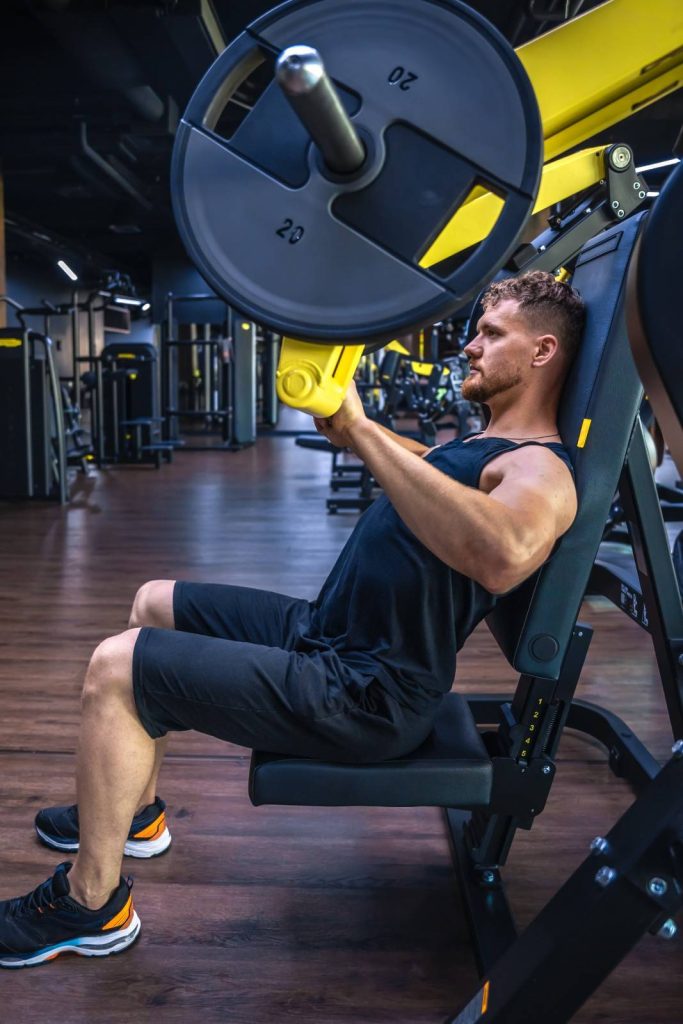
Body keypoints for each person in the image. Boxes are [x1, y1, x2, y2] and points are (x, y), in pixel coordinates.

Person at [0, 270, 584, 967]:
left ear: (542, 351)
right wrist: (351, 430)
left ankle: (90, 904)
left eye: (491, 334)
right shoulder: (483, 447)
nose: (468, 346)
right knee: (153, 601)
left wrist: (365, 432)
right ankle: (137, 817)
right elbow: (437, 473)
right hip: (325, 633)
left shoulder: (541, 469)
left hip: (366, 691)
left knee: (117, 668)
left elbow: (506, 550)